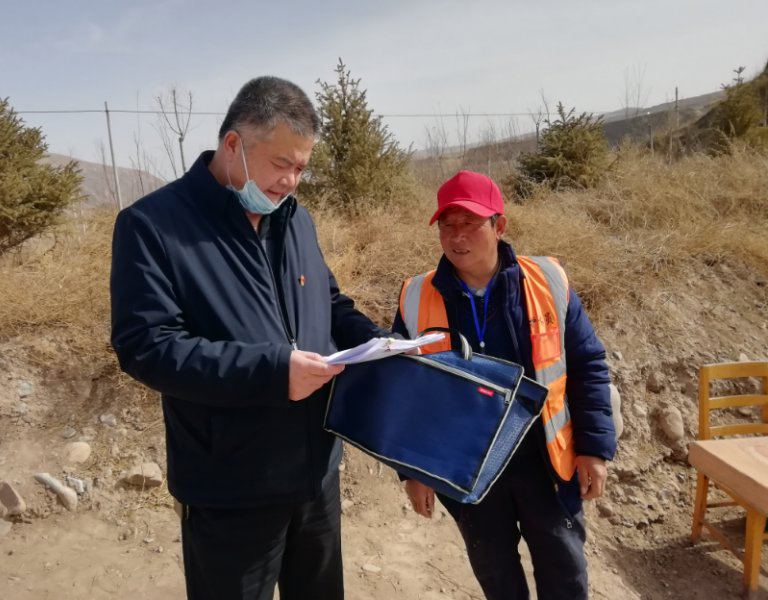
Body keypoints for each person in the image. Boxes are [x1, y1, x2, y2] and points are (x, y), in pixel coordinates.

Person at [110, 76, 389, 600]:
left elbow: (328, 303)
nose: (291, 181)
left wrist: (379, 342)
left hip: (316, 475)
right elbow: (146, 346)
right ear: (233, 144)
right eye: (281, 164)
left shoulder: (295, 220)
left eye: (301, 168)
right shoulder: (152, 226)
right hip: (230, 486)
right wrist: (274, 372)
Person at [393, 170, 616, 600]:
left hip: (545, 464)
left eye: (470, 223)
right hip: (470, 471)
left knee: (566, 578)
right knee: (498, 580)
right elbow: (407, 393)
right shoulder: (416, 296)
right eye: (447, 225)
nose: (457, 236)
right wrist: (414, 472)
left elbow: (587, 365)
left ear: (499, 226)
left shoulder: (548, 282)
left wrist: (594, 448)